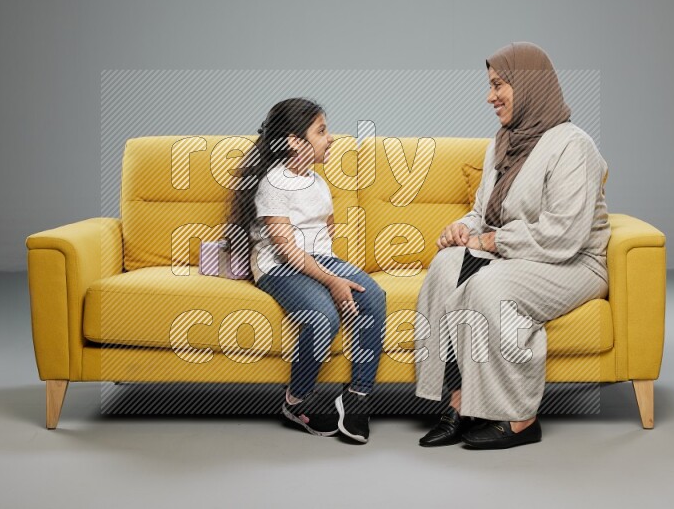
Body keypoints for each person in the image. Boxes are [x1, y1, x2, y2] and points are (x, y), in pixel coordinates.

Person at [415, 42, 611, 450]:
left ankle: (521, 417)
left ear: (529, 85)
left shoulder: (574, 145)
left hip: (572, 263)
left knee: (491, 287)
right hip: (520, 251)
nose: (490, 96)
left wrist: (490, 240)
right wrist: (461, 229)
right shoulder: (503, 143)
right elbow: (483, 213)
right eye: (490, 86)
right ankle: (460, 401)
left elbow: (564, 234)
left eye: (499, 84)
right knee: (446, 267)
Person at [228, 98, 387, 443]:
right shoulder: (274, 184)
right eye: (321, 131)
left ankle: (357, 397)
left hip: (317, 259)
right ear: (294, 141)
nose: (330, 138)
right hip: (279, 267)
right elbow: (285, 250)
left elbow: (326, 227)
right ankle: (296, 399)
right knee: (322, 316)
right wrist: (331, 281)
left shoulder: (316, 181)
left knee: (373, 295)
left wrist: (329, 267)